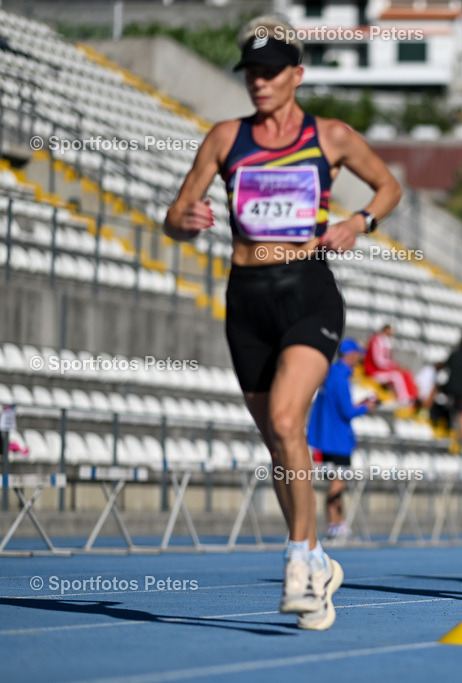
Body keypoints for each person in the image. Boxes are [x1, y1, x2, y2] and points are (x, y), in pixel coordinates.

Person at [163, 15, 401, 630]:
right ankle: (319, 555)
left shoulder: (333, 136)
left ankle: (298, 561)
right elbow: (175, 210)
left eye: (271, 73)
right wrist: (183, 221)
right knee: (277, 440)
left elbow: (388, 186)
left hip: (308, 293)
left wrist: (358, 223)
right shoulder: (224, 138)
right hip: (246, 300)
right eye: (251, 73)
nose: (259, 84)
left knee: (290, 420)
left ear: (297, 75)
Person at [308, 338, 377, 541]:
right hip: (337, 441)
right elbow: (347, 411)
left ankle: (335, 524)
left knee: (335, 482)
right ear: (351, 354)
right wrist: (367, 407)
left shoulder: (330, 374)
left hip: (326, 439)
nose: (359, 358)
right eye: (357, 354)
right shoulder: (340, 377)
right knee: (338, 484)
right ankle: (335, 524)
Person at [364, 323, 418, 406]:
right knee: (397, 375)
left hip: (380, 368)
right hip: (373, 370)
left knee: (405, 373)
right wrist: (393, 365)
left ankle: (411, 397)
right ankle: (404, 399)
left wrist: (394, 365)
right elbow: (378, 360)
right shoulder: (377, 340)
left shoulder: (385, 340)